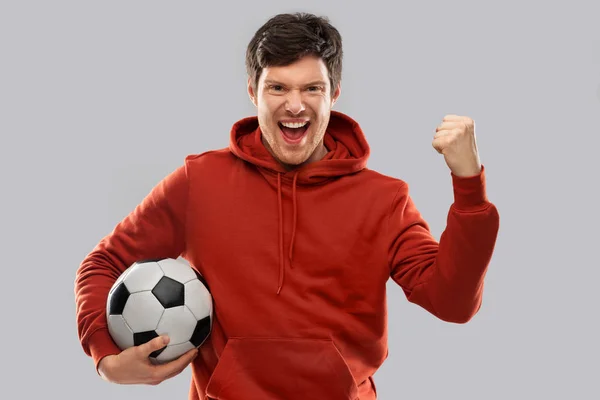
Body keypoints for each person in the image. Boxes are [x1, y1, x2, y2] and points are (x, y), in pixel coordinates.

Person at [74, 12, 500, 400]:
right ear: (252, 92)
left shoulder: (385, 200)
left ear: (333, 94)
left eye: (311, 88)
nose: (294, 105)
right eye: (277, 87)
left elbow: (454, 303)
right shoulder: (199, 182)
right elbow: (104, 262)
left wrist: (468, 186)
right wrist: (107, 359)